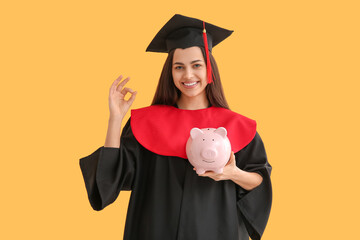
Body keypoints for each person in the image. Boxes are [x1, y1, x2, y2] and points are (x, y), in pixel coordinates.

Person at [79, 14, 272, 240]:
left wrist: (232, 173)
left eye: (196, 65)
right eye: (179, 67)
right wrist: (115, 119)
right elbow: (110, 179)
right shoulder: (146, 122)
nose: (188, 75)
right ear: (170, 73)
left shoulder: (236, 125)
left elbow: (259, 182)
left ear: (210, 69)